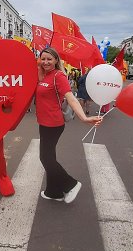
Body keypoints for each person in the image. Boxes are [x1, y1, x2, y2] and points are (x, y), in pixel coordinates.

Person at [35, 47, 102, 203]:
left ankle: (71, 184)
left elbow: (71, 98)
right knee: (49, 157)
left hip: (53, 123)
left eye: (49, 59)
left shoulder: (59, 76)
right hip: (44, 122)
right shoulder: (45, 75)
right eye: (42, 59)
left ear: (56, 60)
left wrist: (84, 118)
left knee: (45, 158)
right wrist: (39, 68)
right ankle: (54, 192)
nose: (45, 62)